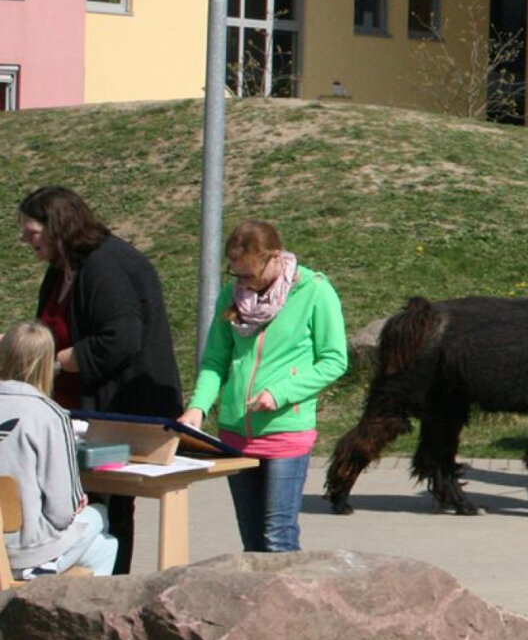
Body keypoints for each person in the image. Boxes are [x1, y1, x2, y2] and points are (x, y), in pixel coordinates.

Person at [17, 186, 181, 577]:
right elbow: (50, 327)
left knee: (107, 507)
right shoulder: (62, 270)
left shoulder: (106, 265)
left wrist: (54, 363)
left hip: (119, 409)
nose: (24, 240)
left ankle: (106, 591)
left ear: (57, 228)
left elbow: (121, 340)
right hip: (75, 410)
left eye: (31, 231)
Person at [180, 221, 348, 553]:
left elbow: (334, 360)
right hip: (235, 434)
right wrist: (197, 407)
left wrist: (280, 393)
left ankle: (290, 605)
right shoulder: (232, 297)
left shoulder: (314, 290)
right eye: (236, 275)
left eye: (249, 274)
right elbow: (215, 360)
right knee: (253, 541)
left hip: (285, 434)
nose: (242, 284)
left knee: (278, 536)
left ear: (273, 259)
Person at [2, 321, 118, 579]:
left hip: (7, 538)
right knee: (100, 523)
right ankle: (68, 612)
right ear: (46, 364)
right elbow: (62, 511)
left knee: (103, 542)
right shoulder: (50, 415)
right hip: (25, 549)